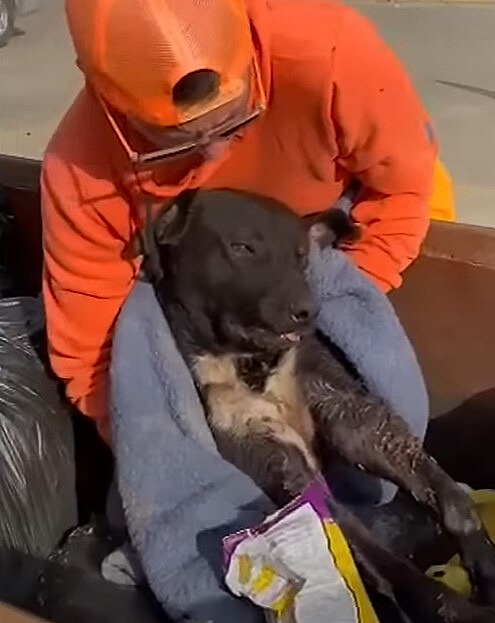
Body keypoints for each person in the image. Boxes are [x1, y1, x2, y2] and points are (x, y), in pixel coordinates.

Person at [42, 0, 456, 444]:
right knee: (139, 330)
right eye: (177, 143)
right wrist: (169, 442)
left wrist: (333, 312)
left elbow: (402, 192)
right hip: (200, 262)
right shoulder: (83, 173)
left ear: (254, 61)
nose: (218, 155)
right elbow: (92, 358)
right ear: (112, 108)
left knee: (376, 387)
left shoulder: (329, 51)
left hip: (334, 221)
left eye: (234, 123)